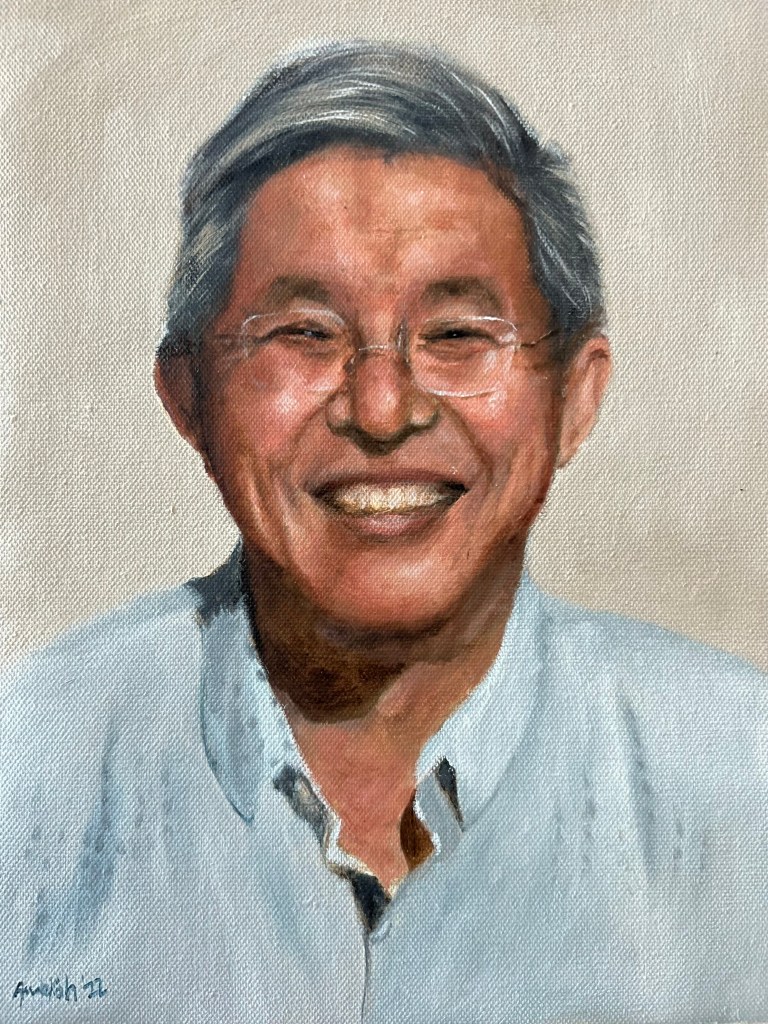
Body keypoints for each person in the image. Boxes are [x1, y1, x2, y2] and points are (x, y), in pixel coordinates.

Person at [2, 40, 767, 1024]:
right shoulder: (29, 768)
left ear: (575, 399)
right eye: (303, 333)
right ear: (188, 396)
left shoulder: (742, 781)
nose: (381, 407)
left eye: (456, 335)